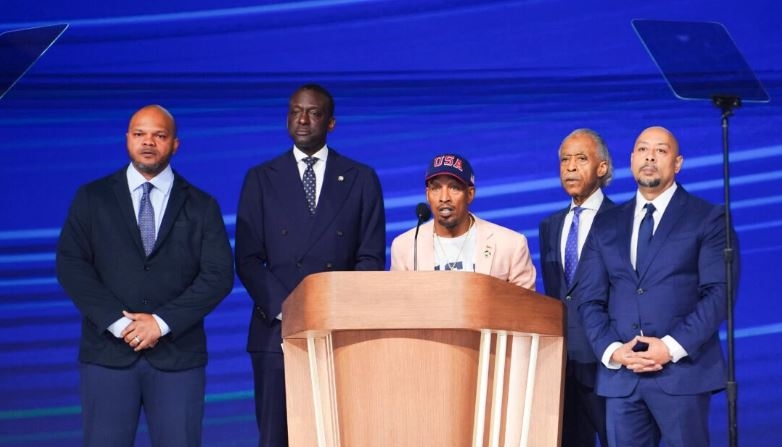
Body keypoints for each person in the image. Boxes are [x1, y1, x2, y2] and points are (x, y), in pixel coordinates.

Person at [56, 105, 235, 446]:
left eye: (159, 135)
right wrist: (120, 324)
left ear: (175, 144)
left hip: (178, 357)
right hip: (107, 356)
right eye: (140, 134)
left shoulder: (202, 205)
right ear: (127, 139)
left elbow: (218, 275)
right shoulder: (92, 198)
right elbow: (71, 266)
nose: (148, 142)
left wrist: (160, 323)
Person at [235, 84, 386, 447]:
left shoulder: (360, 178)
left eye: (313, 113)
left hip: (337, 332)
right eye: (294, 111)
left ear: (331, 122)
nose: (302, 120)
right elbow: (248, 258)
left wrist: (331, 309)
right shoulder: (261, 178)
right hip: (276, 332)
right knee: (276, 437)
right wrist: (289, 309)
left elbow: (370, 258)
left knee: (336, 435)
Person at [575, 126, 736, 447]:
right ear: (632, 159)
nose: (650, 156)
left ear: (677, 163)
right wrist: (612, 350)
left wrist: (669, 347)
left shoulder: (707, 217)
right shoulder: (606, 224)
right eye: (642, 149)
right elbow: (588, 299)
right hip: (622, 376)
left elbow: (719, 293)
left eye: (661, 151)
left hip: (682, 374)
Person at [539, 128, 613, 447]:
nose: (570, 166)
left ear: (602, 167)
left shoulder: (621, 221)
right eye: (564, 160)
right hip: (562, 368)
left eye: (581, 158)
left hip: (607, 364)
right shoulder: (550, 225)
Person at [390, 153, 536, 289]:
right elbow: (398, 308)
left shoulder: (510, 245)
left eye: (454, 188)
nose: (444, 197)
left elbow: (527, 309)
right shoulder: (405, 247)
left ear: (470, 194)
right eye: (436, 188)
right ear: (427, 195)